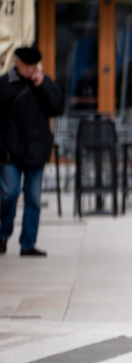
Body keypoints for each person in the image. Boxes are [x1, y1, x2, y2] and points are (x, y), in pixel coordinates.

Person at [0, 46, 63, 257]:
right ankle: (2, 235)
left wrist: (43, 85)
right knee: (9, 193)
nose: (31, 70)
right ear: (16, 62)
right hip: (10, 151)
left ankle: (28, 244)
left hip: (36, 151)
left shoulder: (45, 83)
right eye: (27, 65)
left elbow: (57, 108)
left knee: (34, 199)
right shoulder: (4, 84)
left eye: (34, 65)